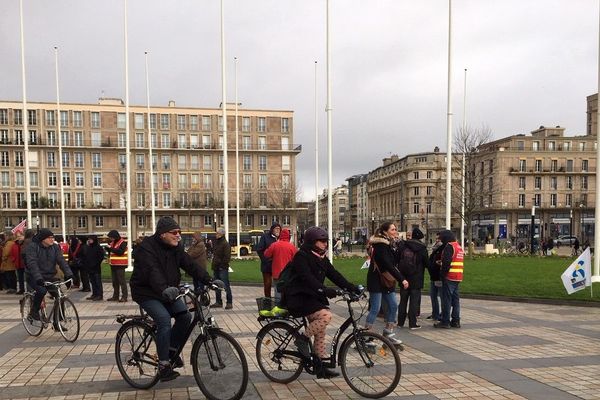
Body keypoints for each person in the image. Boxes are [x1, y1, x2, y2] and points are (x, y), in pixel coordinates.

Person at [130, 216, 214, 382]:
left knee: (185, 317)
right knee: (163, 319)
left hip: (168, 290)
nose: (178, 235)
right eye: (174, 232)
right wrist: (164, 289)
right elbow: (152, 271)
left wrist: (209, 280)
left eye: (179, 232)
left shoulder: (176, 247)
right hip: (146, 292)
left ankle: (169, 351)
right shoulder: (147, 248)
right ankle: (163, 365)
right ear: (162, 234)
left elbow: (190, 264)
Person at [283, 226, 359, 379]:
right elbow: (307, 278)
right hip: (298, 296)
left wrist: (352, 287)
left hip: (312, 296)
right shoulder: (301, 256)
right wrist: (324, 290)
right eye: (322, 241)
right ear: (312, 242)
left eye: (326, 241)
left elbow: (334, 275)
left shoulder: (321, 257)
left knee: (320, 329)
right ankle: (301, 339)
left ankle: (320, 367)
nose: (325, 244)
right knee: (325, 317)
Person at [365, 222, 407, 346]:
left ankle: (388, 332)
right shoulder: (380, 246)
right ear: (385, 232)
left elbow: (395, 260)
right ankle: (367, 335)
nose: (395, 232)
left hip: (386, 281)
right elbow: (388, 265)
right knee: (376, 308)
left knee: (393, 305)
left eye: (395, 229)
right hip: (376, 280)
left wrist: (398, 246)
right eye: (393, 229)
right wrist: (401, 279)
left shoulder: (388, 244)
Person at [24, 229, 73, 323]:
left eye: (52, 237)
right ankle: (34, 312)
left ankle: (57, 322)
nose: (52, 239)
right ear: (43, 239)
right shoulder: (33, 247)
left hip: (49, 275)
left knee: (60, 296)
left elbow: (61, 261)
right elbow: (32, 263)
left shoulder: (55, 247)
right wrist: (38, 278)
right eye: (49, 238)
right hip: (34, 276)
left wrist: (69, 274)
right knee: (41, 291)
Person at [396, 227, 428, 330]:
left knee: (403, 301)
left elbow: (396, 259)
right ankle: (412, 323)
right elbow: (427, 263)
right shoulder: (422, 248)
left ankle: (400, 322)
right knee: (414, 301)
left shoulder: (403, 246)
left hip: (404, 277)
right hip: (417, 278)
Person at [434, 230, 464, 329]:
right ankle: (456, 321)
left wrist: (442, 274)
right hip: (458, 276)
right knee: (455, 300)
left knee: (446, 300)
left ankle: (445, 321)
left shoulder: (449, 246)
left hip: (449, 276)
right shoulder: (458, 246)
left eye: (442, 238)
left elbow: (447, 263)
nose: (441, 241)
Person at [264, 228, 297, 305]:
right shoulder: (292, 247)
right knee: (288, 291)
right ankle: (287, 307)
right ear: (288, 237)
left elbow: (266, 254)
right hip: (288, 274)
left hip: (277, 273)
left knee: (277, 291)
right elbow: (296, 259)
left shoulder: (275, 245)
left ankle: (278, 308)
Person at [256, 222, 281, 298]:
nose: (278, 231)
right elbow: (259, 250)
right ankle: (268, 300)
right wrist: (265, 260)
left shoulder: (281, 238)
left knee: (279, 284)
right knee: (267, 283)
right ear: (272, 229)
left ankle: (279, 301)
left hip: (278, 265)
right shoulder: (265, 237)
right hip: (267, 265)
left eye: (279, 229)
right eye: (276, 229)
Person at [211, 227, 233, 309]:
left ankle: (229, 302)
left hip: (222, 268)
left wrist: (221, 265)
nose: (216, 234)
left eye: (217, 233)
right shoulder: (217, 243)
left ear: (221, 234)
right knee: (216, 285)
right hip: (216, 267)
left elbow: (227, 257)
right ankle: (218, 302)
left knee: (226, 285)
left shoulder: (225, 244)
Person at [105, 230, 128, 302]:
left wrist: (111, 248)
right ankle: (115, 296)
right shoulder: (112, 243)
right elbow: (112, 252)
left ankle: (124, 297)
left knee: (122, 281)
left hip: (120, 264)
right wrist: (108, 249)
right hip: (113, 264)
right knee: (115, 282)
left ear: (115, 236)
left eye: (111, 237)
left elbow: (120, 252)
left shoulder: (123, 242)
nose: (110, 239)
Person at [82, 235, 105, 301]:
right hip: (89, 268)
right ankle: (94, 294)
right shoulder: (89, 247)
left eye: (90, 239)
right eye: (89, 239)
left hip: (96, 268)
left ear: (94, 240)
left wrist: (95, 263)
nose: (89, 240)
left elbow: (101, 257)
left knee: (97, 282)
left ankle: (99, 295)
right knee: (92, 282)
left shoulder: (98, 247)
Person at [426, 234, 443, 322]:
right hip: (433, 276)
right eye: (436, 239)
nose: (436, 241)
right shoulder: (434, 249)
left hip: (439, 276)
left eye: (438, 239)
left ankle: (442, 314)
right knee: (433, 296)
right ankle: (435, 313)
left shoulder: (442, 249)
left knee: (441, 296)